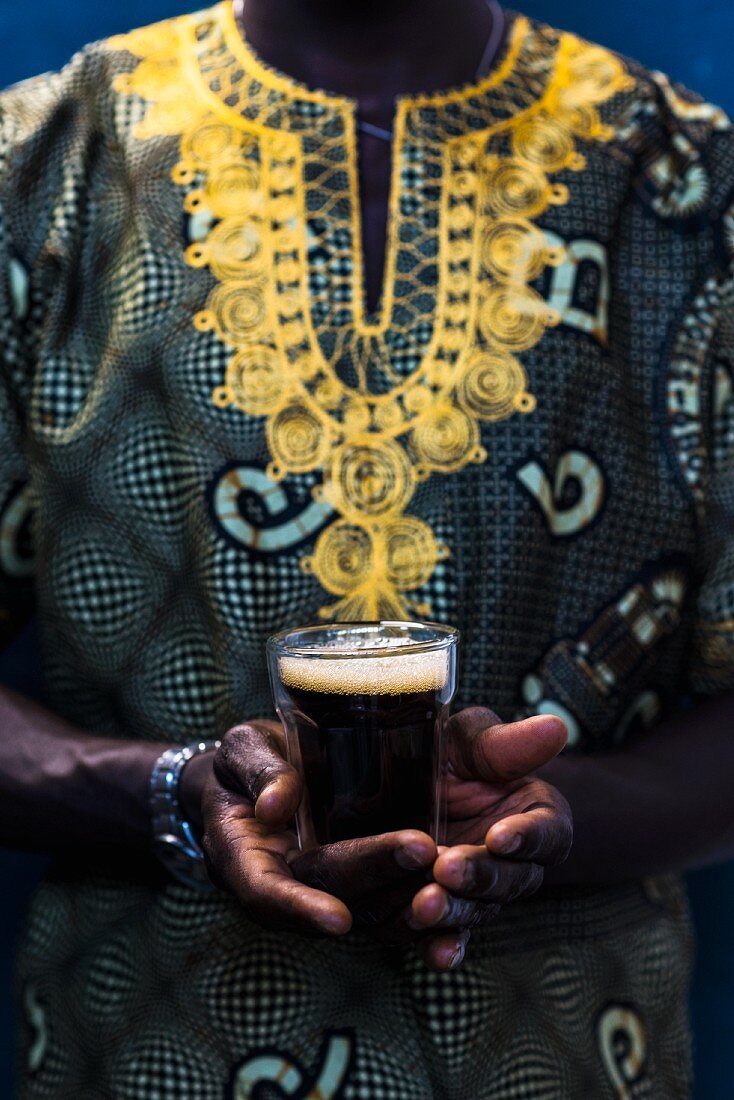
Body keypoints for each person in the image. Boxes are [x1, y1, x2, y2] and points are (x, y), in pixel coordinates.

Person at [0, 0, 732, 1095]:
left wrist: (545, 823)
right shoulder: (42, 162)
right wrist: (172, 792)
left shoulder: (690, 186)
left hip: (569, 1052)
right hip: (148, 1049)